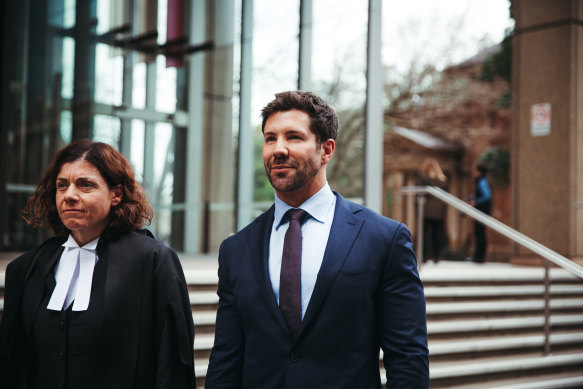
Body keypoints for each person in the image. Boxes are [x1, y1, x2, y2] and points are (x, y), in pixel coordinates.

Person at [205, 91, 429, 388]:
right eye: (270, 138)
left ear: (326, 150)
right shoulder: (236, 249)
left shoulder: (384, 239)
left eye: (293, 137)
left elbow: (408, 358)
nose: (278, 149)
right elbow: (226, 359)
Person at [0, 139, 196, 388]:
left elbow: (173, 366)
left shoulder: (153, 262)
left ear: (116, 194)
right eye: (62, 185)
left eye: (85, 185)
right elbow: (12, 365)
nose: (69, 195)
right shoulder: (24, 269)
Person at [469, 163, 492, 263]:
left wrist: (476, 201)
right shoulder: (481, 181)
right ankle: (478, 257)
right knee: (479, 233)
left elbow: (487, 195)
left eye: (474, 171)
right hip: (481, 210)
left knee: (480, 233)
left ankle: (479, 257)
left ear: (479, 172)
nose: (473, 173)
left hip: (482, 211)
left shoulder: (482, 181)